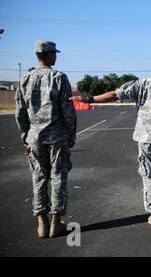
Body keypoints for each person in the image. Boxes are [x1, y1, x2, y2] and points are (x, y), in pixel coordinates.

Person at [72, 55, 151, 228]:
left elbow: (114, 95)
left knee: (149, 176)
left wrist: (89, 99)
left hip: (145, 139)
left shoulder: (140, 84)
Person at [15, 40, 77, 238]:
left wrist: (25, 136)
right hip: (57, 136)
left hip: (35, 137)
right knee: (58, 178)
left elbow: (20, 113)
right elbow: (68, 111)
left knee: (38, 178)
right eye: (54, 53)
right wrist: (71, 134)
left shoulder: (25, 79)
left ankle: (41, 221)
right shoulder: (58, 77)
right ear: (49, 54)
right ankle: (56, 222)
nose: (56, 57)